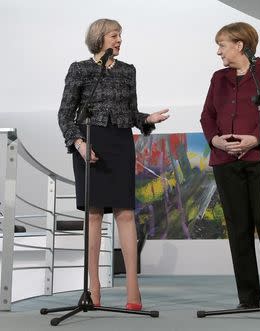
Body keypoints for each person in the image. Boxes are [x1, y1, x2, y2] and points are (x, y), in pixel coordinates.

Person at [58, 18, 169, 311]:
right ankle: (93, 287)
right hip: (88, 143)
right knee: (93, 216)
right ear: (99, 38)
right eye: (115, 35)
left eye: (120, 36)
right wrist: (80, 144)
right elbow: (65, 115)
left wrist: (147, 120)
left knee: (125, 214)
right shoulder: (80, 69)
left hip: (120, 144)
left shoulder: (128, 71)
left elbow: (131, 113)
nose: (120, 40)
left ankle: (133, 285)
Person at [200, 22, 260, 308]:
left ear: (239, 45)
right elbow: (207, 116)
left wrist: (254, 139)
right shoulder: (218, 78)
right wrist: (216, 141)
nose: (218, 51)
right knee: (238, 226)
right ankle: (248, 298)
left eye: (222, 45)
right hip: (225, 160)